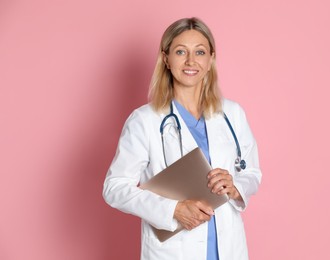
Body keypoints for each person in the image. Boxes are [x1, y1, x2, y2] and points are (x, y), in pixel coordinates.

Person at [103, 17, 262, 260]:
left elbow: (252, 173)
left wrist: (235, 187)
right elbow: (114, 188)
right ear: (166, 59)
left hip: (228, 248)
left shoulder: (232, 114)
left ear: (210, 60)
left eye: (199, 52)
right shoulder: (145, 120)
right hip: (173, 251)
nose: (191, 61)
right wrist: (172, 209)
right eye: (180, 52)